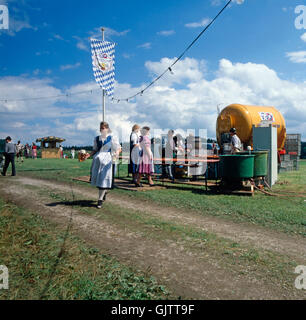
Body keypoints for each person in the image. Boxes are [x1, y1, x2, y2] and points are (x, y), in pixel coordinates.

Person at [87, 121, 121, 209]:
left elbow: (118, 148)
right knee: (100, 180)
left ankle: (100, 200)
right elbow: (94, 150)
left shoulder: (112, 137)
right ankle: (103, 194)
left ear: (107, 129)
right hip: (98, 161)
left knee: (104, 180)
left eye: (104, 128)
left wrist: (116, 154)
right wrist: (88, 155)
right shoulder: (97, 138)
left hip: (107, 160)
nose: (102, 129)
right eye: (101, 128)